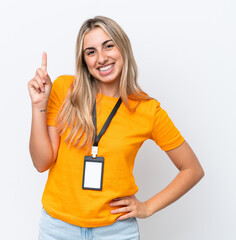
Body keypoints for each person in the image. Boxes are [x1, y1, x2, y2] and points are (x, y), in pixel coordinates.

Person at [28, 16, 204, 240]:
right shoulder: (64, 89)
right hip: (58, 228)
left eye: (108, 46)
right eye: (91, 52)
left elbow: (192, 169)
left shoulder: (147, 110)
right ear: (84, 60)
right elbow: (41, 162)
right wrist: (38, 106)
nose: (101, 58)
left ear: (123, 47)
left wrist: (147, 207)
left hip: (116, 232)